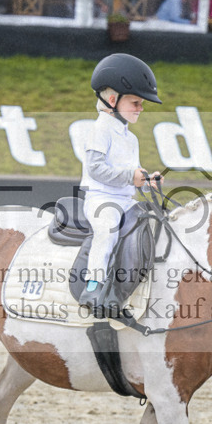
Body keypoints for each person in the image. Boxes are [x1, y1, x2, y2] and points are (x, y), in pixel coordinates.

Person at [78, 54, 164, 312]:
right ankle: (92, 286)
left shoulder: (131, 139)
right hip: (101, 199)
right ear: (113, 100)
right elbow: (95, 169)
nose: (141, 108)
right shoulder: (100, 129)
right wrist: (131, 176)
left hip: (126, 201)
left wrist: (147, 182)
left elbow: (131, 176)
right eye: (136, 102)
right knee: (107, 229)